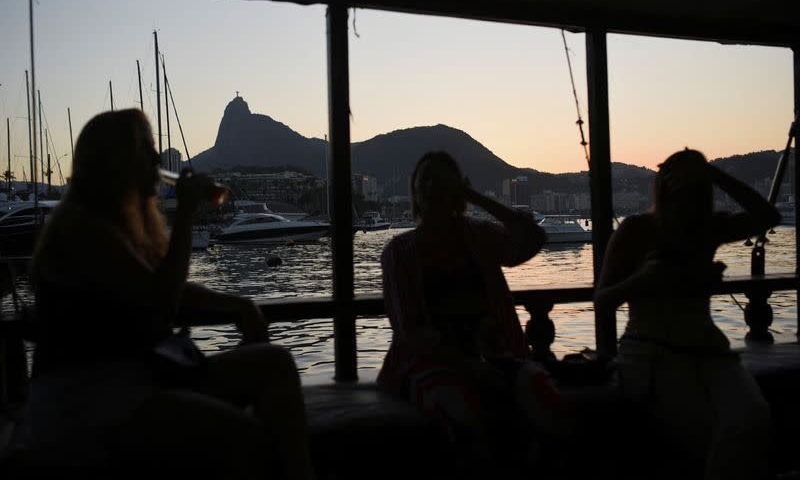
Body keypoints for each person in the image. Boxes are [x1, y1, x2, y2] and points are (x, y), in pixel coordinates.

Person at [17, 109, 315, 479]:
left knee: (275, 364)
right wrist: (187, 212)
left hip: (137, 379)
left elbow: (159, 286)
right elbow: (159, 303)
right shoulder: (83, 230)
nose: (158, 160)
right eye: (146, 149)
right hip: (90, 402)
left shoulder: (122, 225)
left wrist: (238, 303)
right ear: (114, 162)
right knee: (247, 440)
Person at [377, 151, 571, 471]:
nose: (434, 187)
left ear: (458, 190)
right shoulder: (399, 252)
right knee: (465, 415)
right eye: (426, 178)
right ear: (415, 193)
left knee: (547, 398)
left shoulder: (479, 236)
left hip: (498, 357)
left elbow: (533, 239)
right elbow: (410, 332)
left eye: (444, 180)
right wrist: (470, 366)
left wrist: (476, 196)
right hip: (427, 365)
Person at [594, 148, 779, 480]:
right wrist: (642, 281)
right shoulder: (636, 230)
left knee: (752, 414)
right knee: (698, 428)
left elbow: (768, 216)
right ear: (665, 189)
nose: (689, 199)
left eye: (698, 188)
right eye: (684, 188)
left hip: (709, 352)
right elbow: (603, 300)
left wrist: (718, 174)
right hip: (649, 352)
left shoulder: (709, 228)